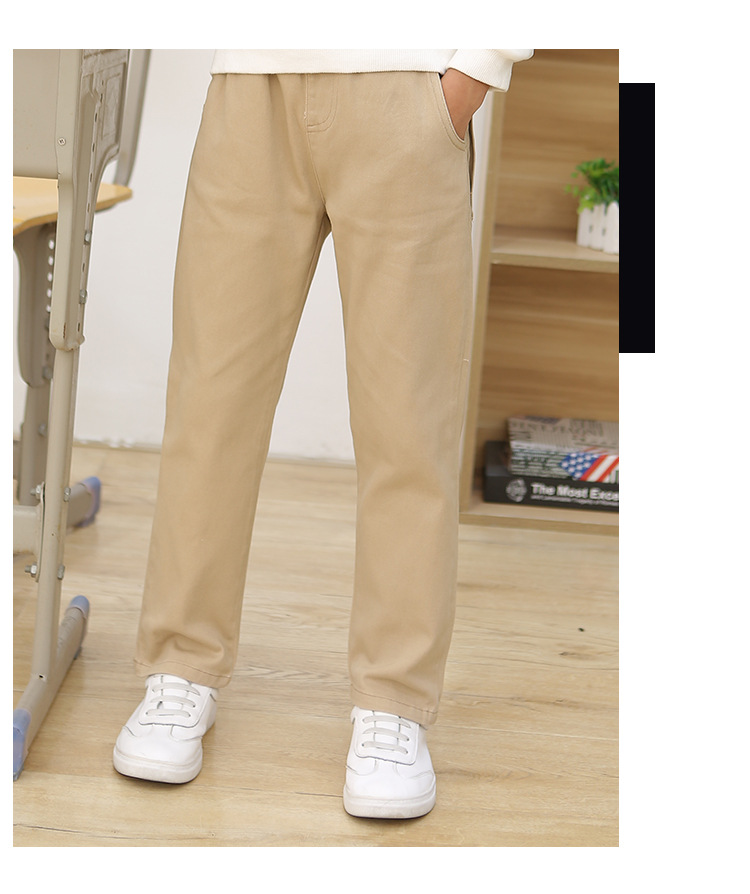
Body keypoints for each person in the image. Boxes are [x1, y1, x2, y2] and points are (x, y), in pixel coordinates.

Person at [113, 48, 533, 819]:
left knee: (409, 424)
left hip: (409, 85)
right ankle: (181, 667)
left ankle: (394, 700)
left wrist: (478, 64)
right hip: (251, 84)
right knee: (210, 404)